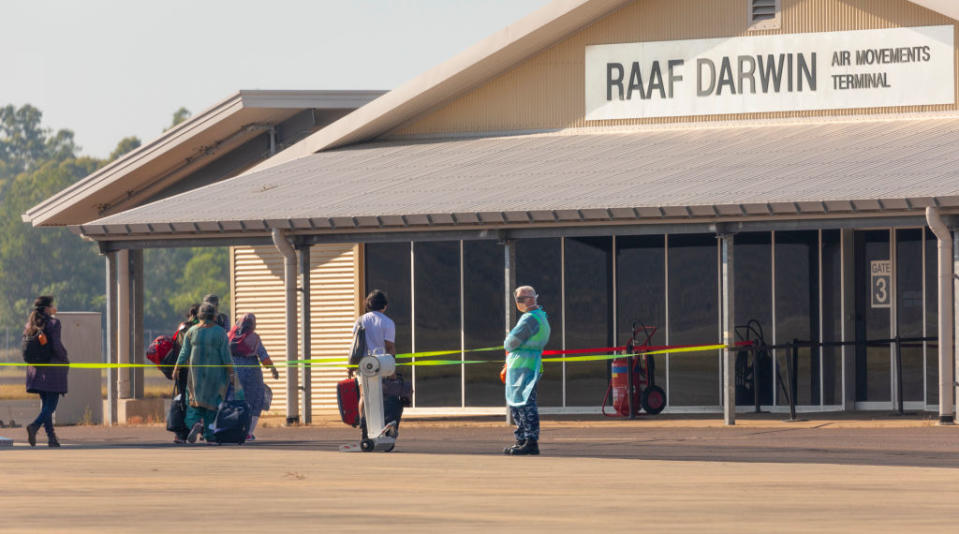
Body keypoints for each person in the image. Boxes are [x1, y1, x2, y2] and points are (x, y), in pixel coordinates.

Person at [171, 303, 236, 443]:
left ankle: (195, 424)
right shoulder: (220, 333)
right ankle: (209, 435)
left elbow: (184, 353)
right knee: (212, 406)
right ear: (214, 316)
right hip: (215, 376)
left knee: (194, 404)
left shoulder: (192, 331)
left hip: (195, 376)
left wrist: (176, 368)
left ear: (199, 315)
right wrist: (232, 373)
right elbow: (226, 356)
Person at [502, 285, 550, 456]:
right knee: (517, 404)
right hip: (527, 364)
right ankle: (522, 439)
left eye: (520, 300)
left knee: (525, 404)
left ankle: (530, 440)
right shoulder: (540, 316)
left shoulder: (530, 319)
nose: (518, 303)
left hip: (525, 366)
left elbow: (511, 342)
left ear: (530, 299)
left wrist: (508, 341)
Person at [24, 296, 69, 448]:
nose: (53, 308)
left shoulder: (30, 324)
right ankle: (34, 426)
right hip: (52, 370)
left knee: (46, 405)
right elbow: (56, 346)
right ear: (46, 309)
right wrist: (65, 358)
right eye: (51, 306)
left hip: (35, 370)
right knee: (51, 405)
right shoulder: (54, 323)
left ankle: (52, 439)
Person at [228, 313, 279, 441]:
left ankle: (233, 429)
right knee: (255, 401)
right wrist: (273, 369)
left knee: (235, 401)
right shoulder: (253, 338)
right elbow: (264, 356)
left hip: (234, 373)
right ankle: (248, 432)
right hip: (252, 375)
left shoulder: (229, 336)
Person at [169, 303, 199, 443]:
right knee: (196, 400)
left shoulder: (182, 327)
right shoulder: (201, 327)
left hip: (183, 369)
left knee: (182, 400)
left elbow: (178, 348)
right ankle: (197, 428)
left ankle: (181, 434)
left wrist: (176, 368)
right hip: (197, 370)